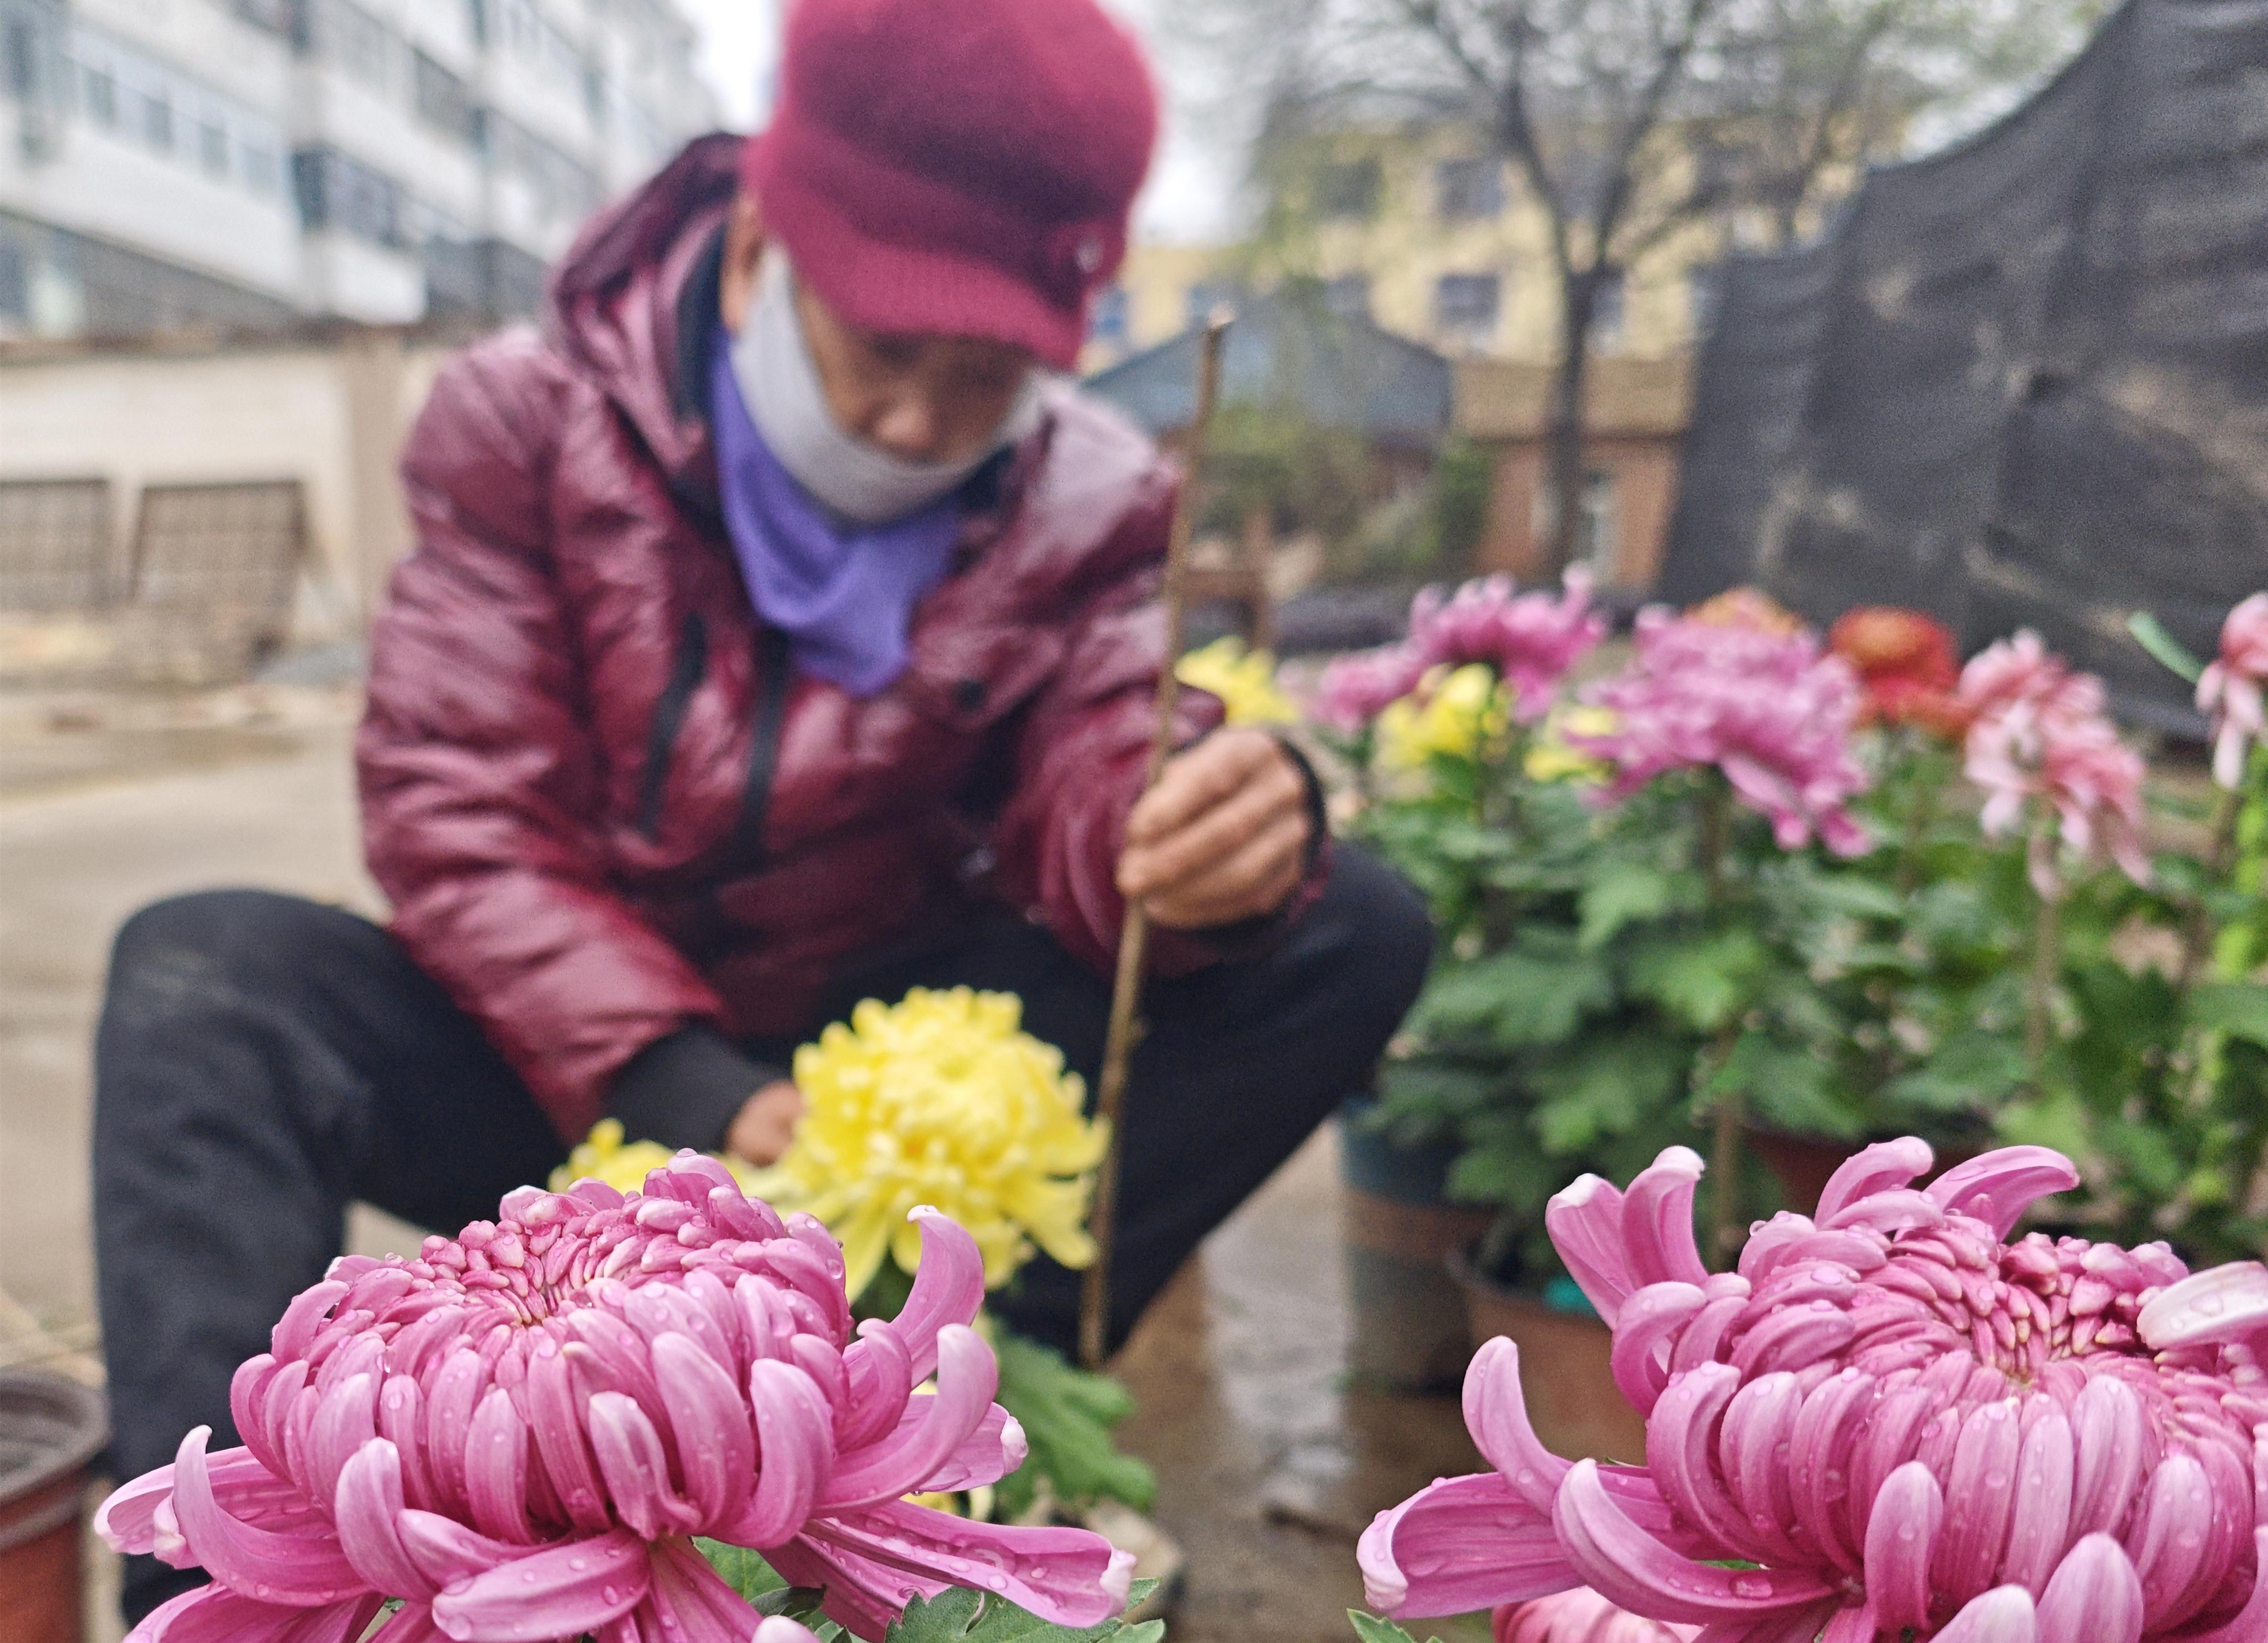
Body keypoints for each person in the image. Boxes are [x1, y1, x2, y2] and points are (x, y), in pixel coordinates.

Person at [88, 0, 1432, 1623]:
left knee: (1351, 922)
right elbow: (457, 810)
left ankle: (951, 1428)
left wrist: (1198, 833)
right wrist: (686, 1088)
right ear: (763, 239)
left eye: (989, 372)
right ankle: (237, 1575)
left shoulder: (1088, 496)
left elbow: (1094, 761)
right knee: (207, 977)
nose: (923, 425)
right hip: (569, 1078)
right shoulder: (528, 419)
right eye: (885, 349)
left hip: (873, 1109)